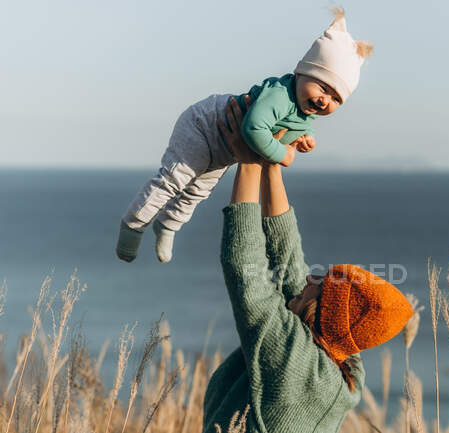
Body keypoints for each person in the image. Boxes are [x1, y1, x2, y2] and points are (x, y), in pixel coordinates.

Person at [201, 97, 414, 433]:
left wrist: (247, 161)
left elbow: (245, 269)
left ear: (321, 311)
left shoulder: (294, 361)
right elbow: (289, 258)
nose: (311, 275)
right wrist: (271, 159)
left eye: (322, 282)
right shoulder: (342, 362)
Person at [116, 8, 373, 263]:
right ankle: (133, 226)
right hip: (204, 125)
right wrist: (283, 153)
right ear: (301, 74)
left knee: (198, 191)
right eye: (322, 87)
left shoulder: (303, 106)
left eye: (335, 98)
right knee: (174, 179)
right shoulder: (279, 96)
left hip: (223, 149)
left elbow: (299, 123)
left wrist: (306, 136)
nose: (323, 99)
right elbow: (253, 129)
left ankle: (167, 225)